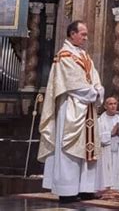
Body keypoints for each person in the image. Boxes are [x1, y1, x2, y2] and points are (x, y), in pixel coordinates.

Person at [38, 20, 104, 203]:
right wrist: (93, 92)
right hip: (71, 107)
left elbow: (95, 77)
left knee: (87, 148)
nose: (85, 37)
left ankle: (86, 188)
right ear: (71, 34)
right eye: (82, 34)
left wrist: (99, 89)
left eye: (86, 34)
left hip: (87, 107)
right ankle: (67, 190)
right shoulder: (64, 56)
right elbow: (73, 83)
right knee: (69, 147)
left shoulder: (84, 55)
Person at [97, 97, 119, 189]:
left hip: (118, 149)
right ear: (105, 106)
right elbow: (98, 138)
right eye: (110, 104)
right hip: (105, 150)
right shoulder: (100, 121)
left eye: (115, 104)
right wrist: (111, 133)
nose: (113, 106)